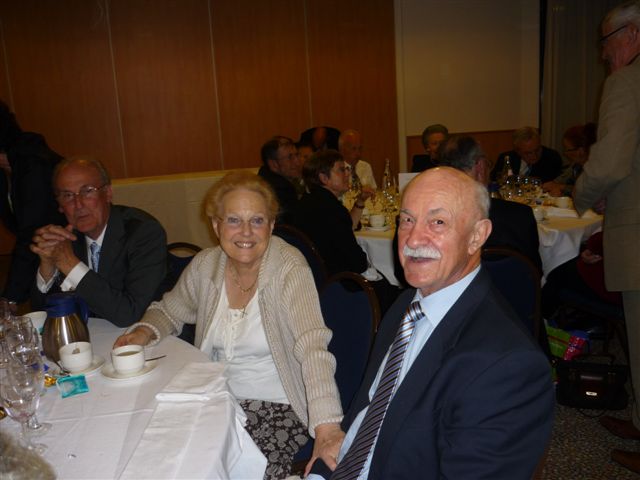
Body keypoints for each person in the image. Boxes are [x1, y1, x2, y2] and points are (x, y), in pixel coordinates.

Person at [310, 167, 554, 479]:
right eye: (407, 220)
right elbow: (368, 407)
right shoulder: (407, 303)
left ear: (477, 236)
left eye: (437, 222)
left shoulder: (509, 366)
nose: (413, 239)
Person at [113, 171, 344, 479]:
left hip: (276, 407)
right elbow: (169, 311)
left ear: (271, 225)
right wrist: (143, 332)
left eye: (257, 220)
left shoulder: (289, 268)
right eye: (234, 220)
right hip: (214, 400)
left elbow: (312, 346)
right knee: (163, 460)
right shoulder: (206, 265)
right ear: (216, 225)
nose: (246, 232)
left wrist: (327, 428)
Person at [573, 1, 640, 473]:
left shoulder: (626, 82)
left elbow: (611, 161)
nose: (603, 54)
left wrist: (583, 192)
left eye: (607, 42)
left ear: (631, 35)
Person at [30, 157, 167, 327]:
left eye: (87, 191)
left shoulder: (143, 233)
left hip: (145, 336)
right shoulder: (66, 238)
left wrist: (69, 264)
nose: (78, 204)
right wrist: (47, 269)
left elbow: (130, 314)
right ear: (59, 205)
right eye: (68, 196)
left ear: (108, 193)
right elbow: (42, 316)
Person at [290, 150, 399, 313]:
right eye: (341, 170)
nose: (348, 173)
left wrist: (360, 201)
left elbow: (346, 226)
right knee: (394, 292)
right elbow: (357, 263)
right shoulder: (331, 209)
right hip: (343, 284)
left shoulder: (308, 202)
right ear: (324, 178)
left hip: (316, 280)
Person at [438, 135, 542, 273]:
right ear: (480, 167)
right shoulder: (520, 215)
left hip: (454, 287)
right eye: (488, 164)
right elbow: (535, 270)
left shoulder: (430, 217)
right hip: (513, 286)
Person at [0, 101, 65, 304]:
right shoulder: (7, 169)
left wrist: (10, 299)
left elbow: (31, 234)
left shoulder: (34, 163)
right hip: (43, 259)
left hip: (69, 262)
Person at [491, 126, 563, 183]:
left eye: (537, 150)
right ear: (517, 151)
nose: (534, 156)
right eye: (528, 153)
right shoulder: (506, 158)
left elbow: (548, 183)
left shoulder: (552, 158)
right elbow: (495, 181)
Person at [543, 123, 597, 197]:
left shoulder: (594, 170)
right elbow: (559, 180)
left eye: (567, 150)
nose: (565, 153)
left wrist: (562, 187)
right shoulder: (576, 165)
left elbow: (586, 192)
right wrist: (552, 185)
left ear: (580, 151)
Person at [258, 136, 303, 223]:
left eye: (297, 155)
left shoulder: (264, 176)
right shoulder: (281, 190)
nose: (297, 162)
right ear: (273, 164)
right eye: (290, 157)